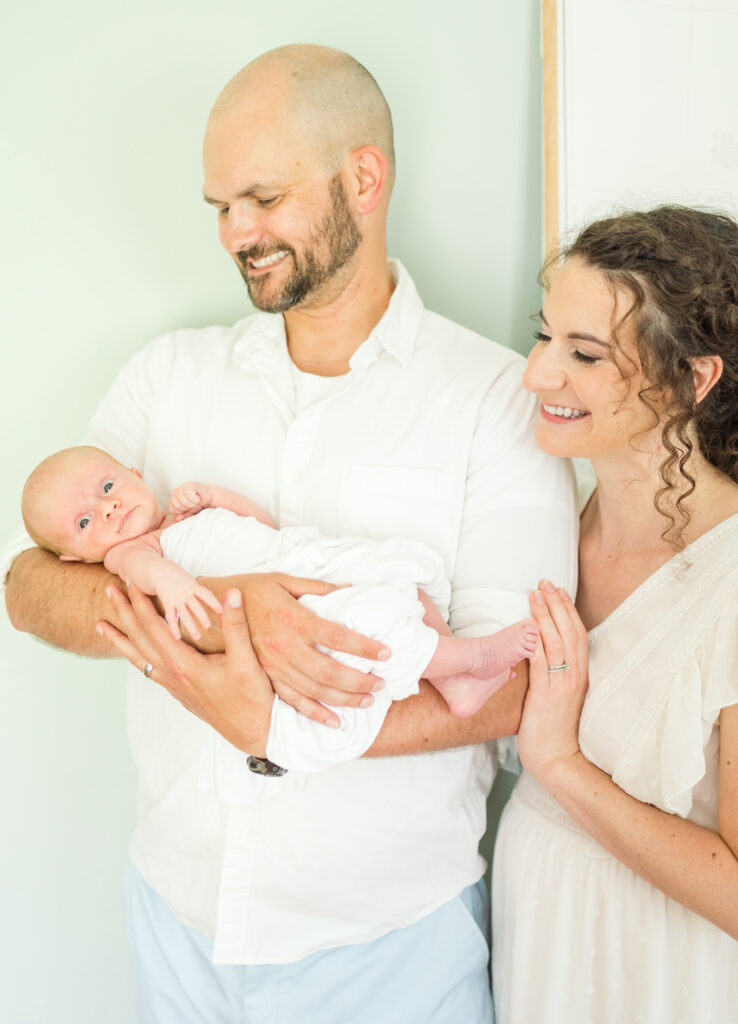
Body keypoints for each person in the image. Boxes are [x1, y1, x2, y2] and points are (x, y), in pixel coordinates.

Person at [2, 44, 577, 1022]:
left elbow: (515, 684)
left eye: (260, 199)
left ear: (362, 177)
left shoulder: (489, 402)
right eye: (220, 206)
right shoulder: (166, 377)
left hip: (388, 946)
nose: (235, 232)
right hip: (177, 919)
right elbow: (30, 583)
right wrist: (224, 618)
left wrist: (275, 719)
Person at [491, 205, 738, 1024]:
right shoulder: (552, 521)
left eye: (584, 354)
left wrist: (560, 766)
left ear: (693, 377)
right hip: (545, 949)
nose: (537, 375)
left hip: (673, 983)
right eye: (544, 336)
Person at [22, 443, 539, 778]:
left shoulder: (186, 517)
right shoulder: (131, 554)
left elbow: (262, 523)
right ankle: (469, 658)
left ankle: (456, 685)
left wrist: (219, 497)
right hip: (303, 601)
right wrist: (179, 591)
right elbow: (150, 578)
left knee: (397, 570)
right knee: (371, 622)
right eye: (85, 522)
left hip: (300, 556)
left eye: (108, 488)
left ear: (133, 473)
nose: (107, 508)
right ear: (74, 558)